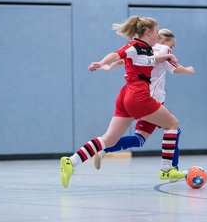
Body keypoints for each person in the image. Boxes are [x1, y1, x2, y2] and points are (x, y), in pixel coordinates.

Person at [60, 16, 186, 188]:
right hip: (138, 96)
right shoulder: (134, 46)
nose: (158, 36)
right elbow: (116, 54)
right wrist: (101, 62)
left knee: (109, 140)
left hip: (126, 95)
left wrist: (165, 58)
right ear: (148, 32)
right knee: (172, 125)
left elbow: (151, 61)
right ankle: (166, 169)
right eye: (157, 32)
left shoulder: (147, 49)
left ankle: (71, 161)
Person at [93, 29, 195, 176]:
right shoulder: (163, 49)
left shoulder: (143, 49)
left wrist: (108, 67)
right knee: (174, 128)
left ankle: (105, 149)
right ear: (164, 40)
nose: (171, 49)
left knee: (139, 139)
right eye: (172, 45)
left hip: (138, 97)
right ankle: (172, 169)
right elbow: (175, 69)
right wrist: (188, 70)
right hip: (150, 100)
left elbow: (123, 59)